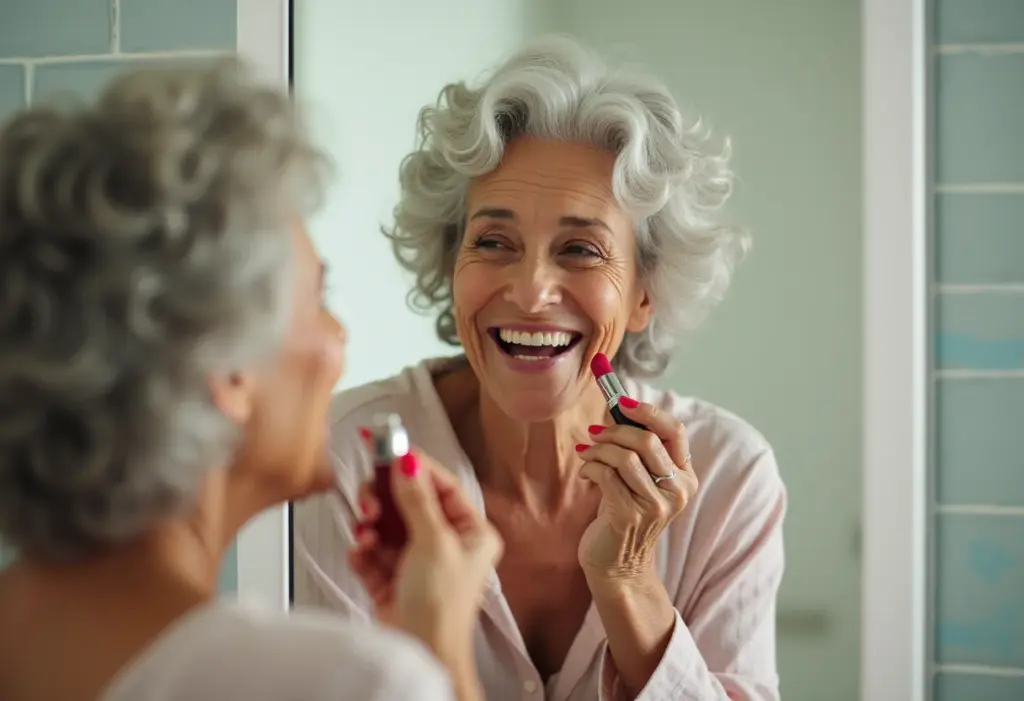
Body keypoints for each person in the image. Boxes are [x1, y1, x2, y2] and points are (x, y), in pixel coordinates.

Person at [293, 34, 787, 701]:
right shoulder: (350, 460)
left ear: (646, 292)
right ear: (450, 265)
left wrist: (630, 581)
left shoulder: (731, 478)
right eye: (493, 241)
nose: (530, 290)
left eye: (581, 249)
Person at [0, 59, 502, 701]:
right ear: (230, 368)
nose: (338, 338)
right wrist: (437, 652)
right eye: (320, 295)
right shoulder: (351, 682)